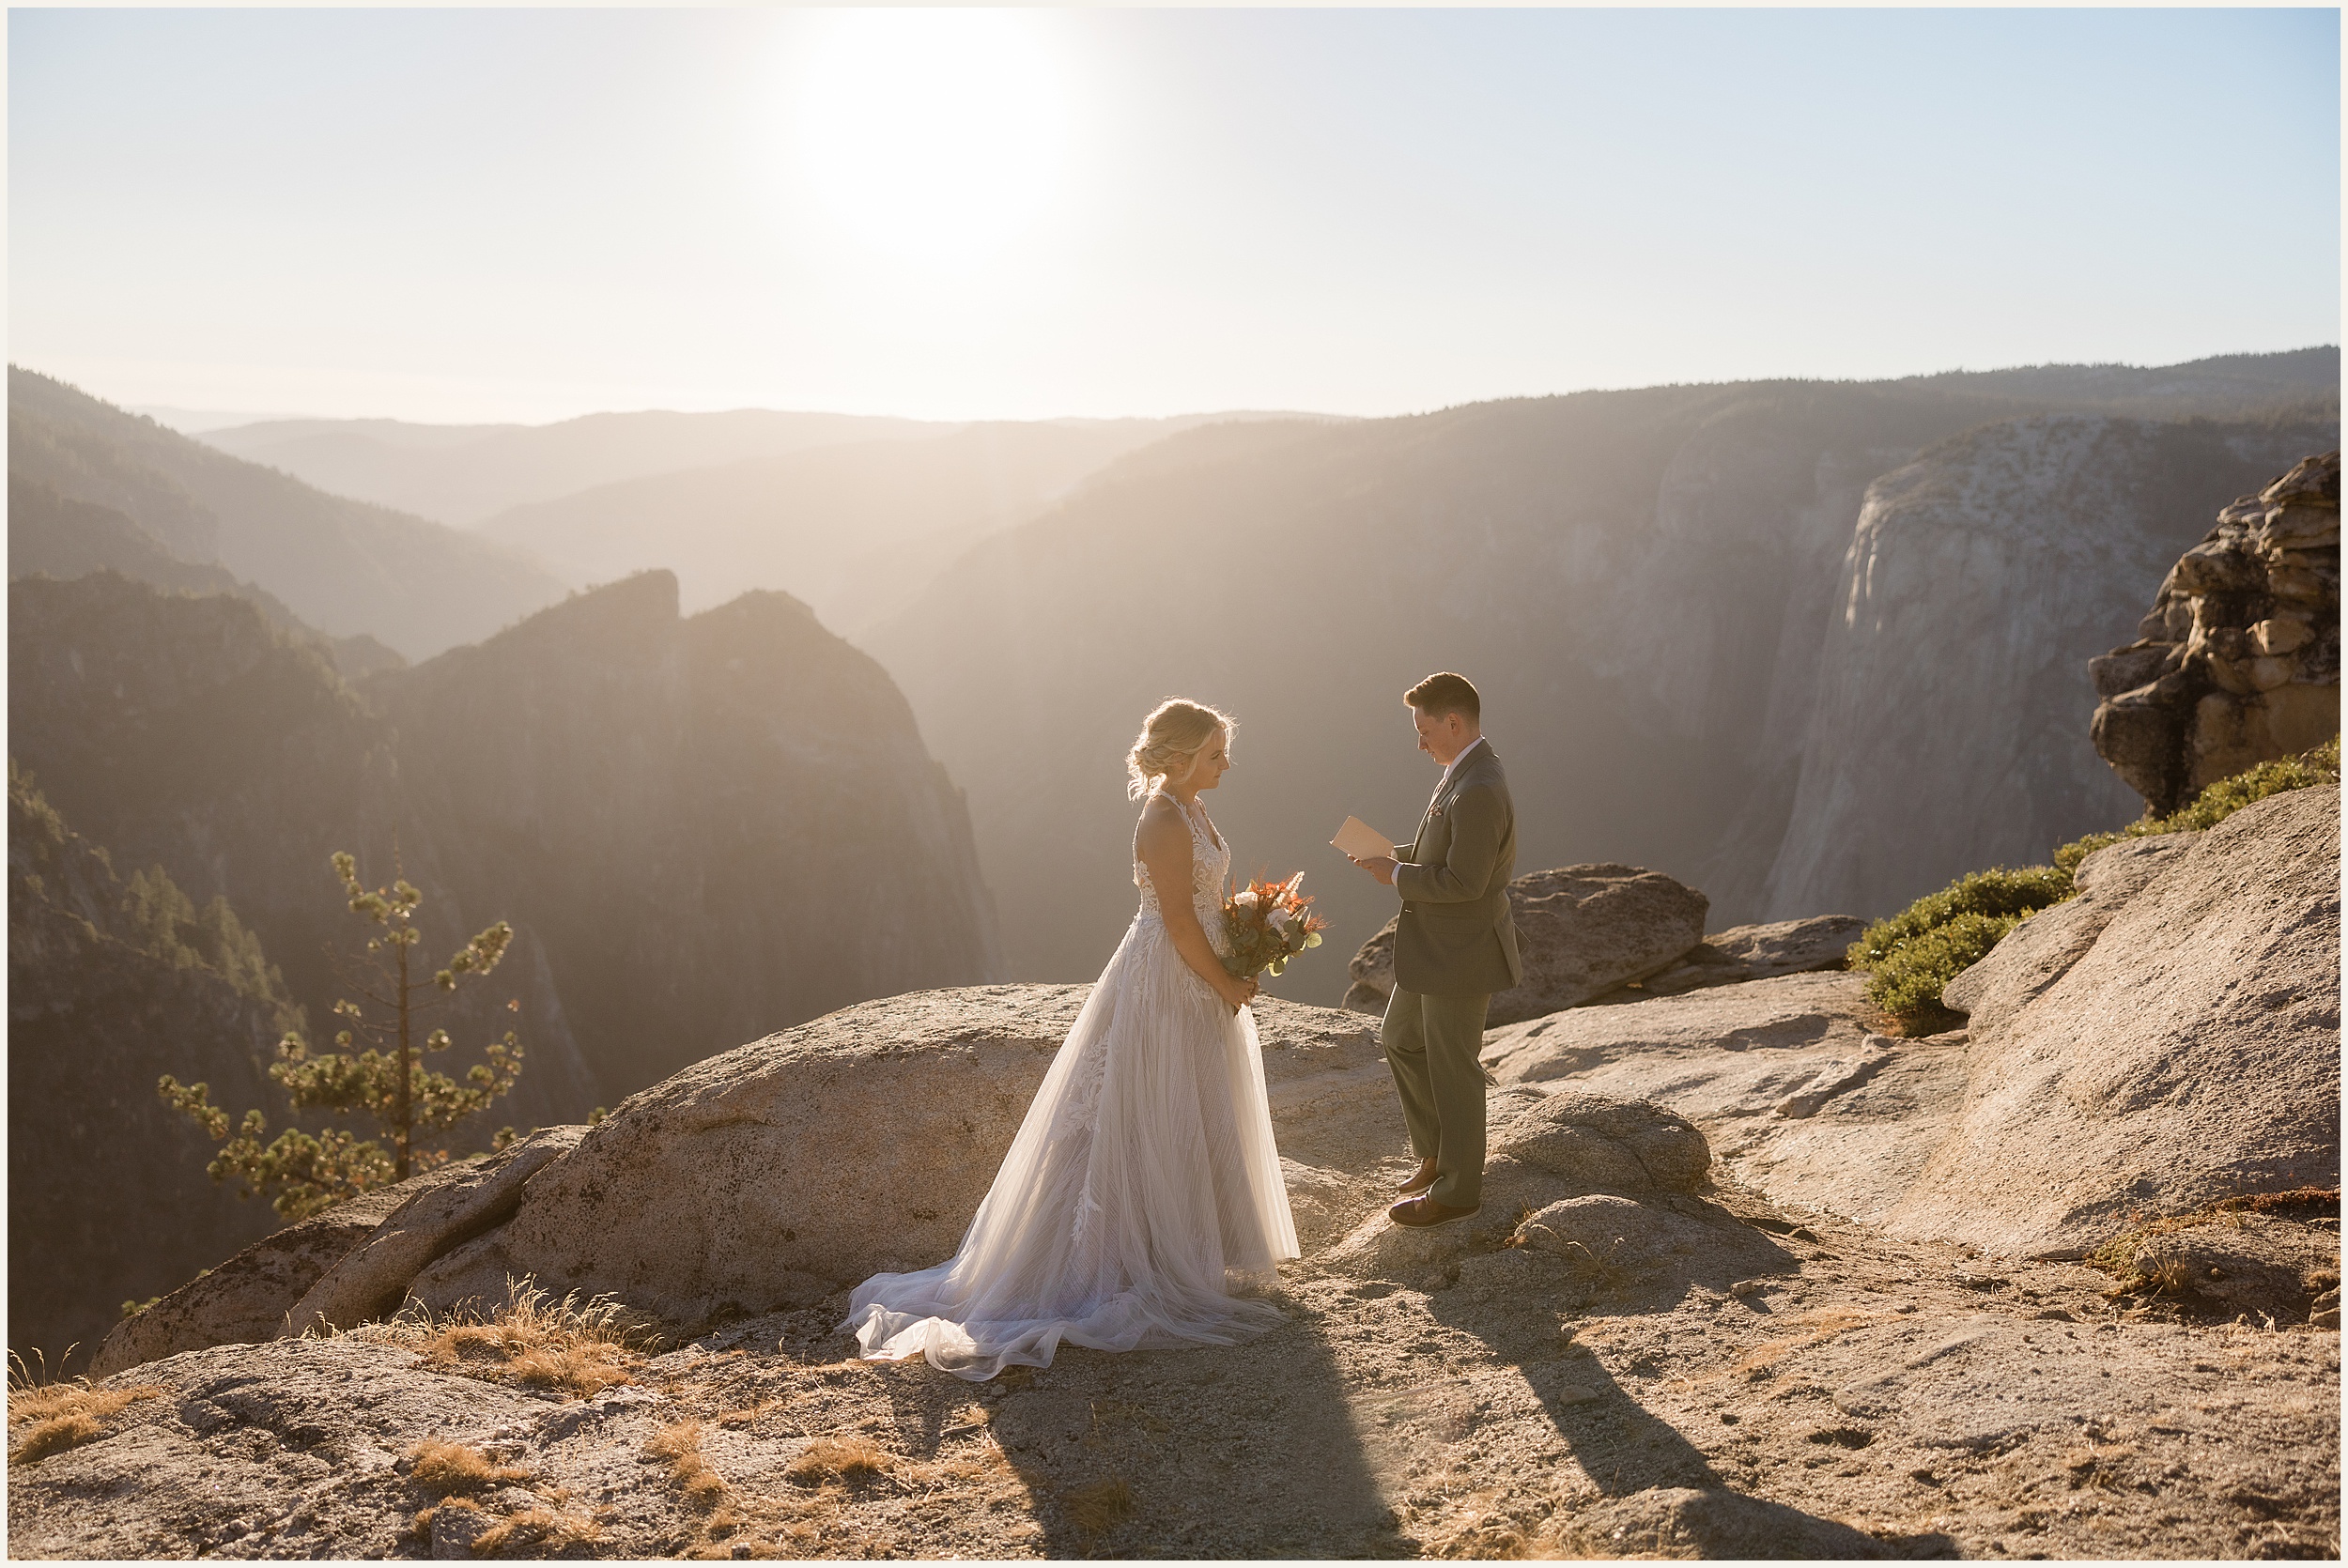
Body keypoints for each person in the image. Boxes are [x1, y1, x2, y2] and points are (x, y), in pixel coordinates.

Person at [842, 699, 1298, 1379]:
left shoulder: (1192, 808)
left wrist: (1243, 940)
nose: (1224, 764)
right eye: (1213, 754)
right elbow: (1176, 921)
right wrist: (1227, 982)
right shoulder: (1165, 819)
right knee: (1147, 1110)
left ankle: (1185, 1248)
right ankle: (1130, 1259)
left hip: (1192, 974)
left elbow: (1202, 907)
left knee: (1186, 1107)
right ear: (1178, 758)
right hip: (1168, 980)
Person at [1349, 672, 1522, 1227]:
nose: (1418, 742)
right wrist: (1388, 855)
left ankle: (1458, 1190)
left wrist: (1396, 874)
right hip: (1436, 949)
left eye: (1424, 730)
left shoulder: (1479, 788)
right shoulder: (1461, 772)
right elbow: (1441, 852)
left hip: (1462, 951)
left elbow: (1466, 882)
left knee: (1455, 1068)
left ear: (1453, 722)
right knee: (1399, 1037)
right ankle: (1435, 1154)